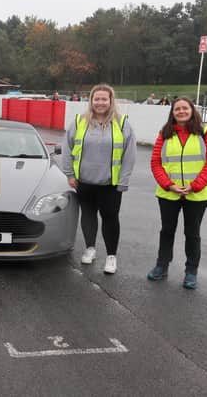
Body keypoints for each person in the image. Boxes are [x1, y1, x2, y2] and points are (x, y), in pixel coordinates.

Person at [62, 83, 136, 274]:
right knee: (88, 216)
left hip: (110, 184)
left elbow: (130, 155)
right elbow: (67, 149)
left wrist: (123, 181)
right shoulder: (79, 122)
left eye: (104, 99)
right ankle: (90, 249)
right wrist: (70, 174)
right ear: (91, 101)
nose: (100, 102)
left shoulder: (122, 123)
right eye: (97, 99)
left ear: (111, 101)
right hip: (84, 182)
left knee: (110, 219)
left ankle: (111, 257)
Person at [147, 97, 207, 289]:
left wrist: (195, 185)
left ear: (192, 110)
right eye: (177, 109)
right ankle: (162, 266)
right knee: (167, 231)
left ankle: (191, 272)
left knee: (192, 234)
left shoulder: (206, 132)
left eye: (184, 108)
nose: (181, 111)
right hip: (168, 193)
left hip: (197, 194)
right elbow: (156, 163)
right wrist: (168, 185)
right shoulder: (164, 134)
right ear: (172, 112)